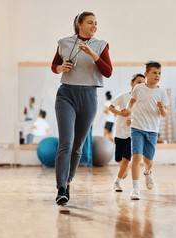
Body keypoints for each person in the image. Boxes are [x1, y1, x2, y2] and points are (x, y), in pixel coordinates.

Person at [51, 11, 112, 205]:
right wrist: (60, 68)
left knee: (77, 146)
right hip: (66, 94)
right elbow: (54, 65)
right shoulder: (64, 42)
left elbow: (108, 72)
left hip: (88, 95)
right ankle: (61, 187)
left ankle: (68, 181)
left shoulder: (101, 45)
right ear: (79, 24)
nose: (94, 26)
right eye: (90, 23)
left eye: (96, 23)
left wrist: (93, 54)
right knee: (66, 143)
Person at [123, 61, 169, 200]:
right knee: (136, 157)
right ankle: (135, 189)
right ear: (146, 74)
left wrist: (161, 108)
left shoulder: (162, 92)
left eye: (159, 73)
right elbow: (131, 102)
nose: (157, 75)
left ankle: (148, 172)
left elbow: (164, 114)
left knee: (148, 160)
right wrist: (128, 109)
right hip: (137, 127)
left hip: (152, 130)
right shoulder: (138, 88)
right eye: (154, 72)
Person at [108, 74, 146, 192]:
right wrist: (120, 113)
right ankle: (124, 169)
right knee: (119, 160)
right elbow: (111, 106)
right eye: (138, 82)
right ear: (132, 84)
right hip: (119, 133)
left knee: (126, 160)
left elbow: (144, 117)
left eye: (143, 83)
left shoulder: (143, 101)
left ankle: (117, 183)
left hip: (133, 134)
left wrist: (134, 121)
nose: (140, 85)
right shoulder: (123, 96)